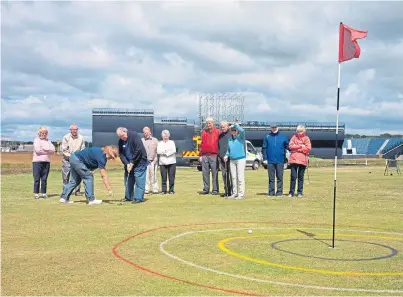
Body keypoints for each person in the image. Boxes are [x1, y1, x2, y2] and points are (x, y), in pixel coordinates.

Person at [117, 127, 148, 204]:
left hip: (140, 162)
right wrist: (127, 163)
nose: (122, 138)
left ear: (125, 131)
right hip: (129, 164)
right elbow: (121, 154)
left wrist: (132, 162)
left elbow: (139, 149)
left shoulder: (134, 135)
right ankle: (128, 197)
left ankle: (138, 198)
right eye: (120, 136)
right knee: (128, 180)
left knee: (139, 179)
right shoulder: (120, 141)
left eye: (122, 135)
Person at [262, 123, 289, 197]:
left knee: (280, 177)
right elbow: (264, 148)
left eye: (275, 127)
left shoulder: (283, 137)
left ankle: (279, 192)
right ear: (271, 128)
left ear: (277, 127)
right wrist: (265, 158)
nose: (274, 128)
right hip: (270, 161)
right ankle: (271, 192)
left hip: (280, 160)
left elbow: (288, 147)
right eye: (272, 127)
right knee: (271, 178)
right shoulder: (267, 137)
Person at [61, 124, 86, 196]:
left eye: (76, 129)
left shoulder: (81, 137)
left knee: (77, 175)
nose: (75, 131)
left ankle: (77, 191)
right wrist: (71, 157)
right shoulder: (66, 137)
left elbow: (82, 149)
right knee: (66, 176)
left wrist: (78, 157)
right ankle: (65, 191)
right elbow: (64, 149)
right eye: (73, 129)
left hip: (77, 159)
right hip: (67, 159)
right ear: (70, 130)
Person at [224, 123, 246, 199]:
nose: (233, 131)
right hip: (232, 160)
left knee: (240, 177)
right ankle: (235, 193)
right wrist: (226, 155)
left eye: (235, 130)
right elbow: (228, 149)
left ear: (237, 131)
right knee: (233, 177)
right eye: (232, 130)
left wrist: (235, 125)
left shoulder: (241, 137)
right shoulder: (229, 139)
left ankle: (241, 194)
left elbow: (243, 131)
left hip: (240, 159)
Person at [288, 125, 311, 198]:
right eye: (298, 131)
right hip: (294, 159)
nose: (299, 133)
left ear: (304, 131)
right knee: (293, 177)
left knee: (301, 177)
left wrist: (297, 148)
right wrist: (301, 146)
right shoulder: (293, 137)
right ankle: (291, 192)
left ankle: (300, 192)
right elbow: (291, 146)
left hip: (303, 160)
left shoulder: (306, 138)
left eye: (300, 131)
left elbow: (308, 148)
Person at [199, 117, 221, 195]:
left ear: (213, 123)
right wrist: (200, 155)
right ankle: (206, 189)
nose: (208, 125)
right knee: (205, 173)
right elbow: (201, 144)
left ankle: (215, 189)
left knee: (215, 173)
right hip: (205, 155)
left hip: (214, 155)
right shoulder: (204, 132)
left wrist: (219, 154)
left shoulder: (218, 131)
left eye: (210, 123)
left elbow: (220, 143)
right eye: (207, 123)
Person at [32, 126, 55, 199]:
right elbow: (38, 150)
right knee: (37, 178)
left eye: (45, 133)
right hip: (37, 162)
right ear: (39, 133)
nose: (43, 134)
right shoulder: (36, 140)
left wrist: (44, 150)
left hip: (46, 162)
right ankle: (36, 193)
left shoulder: (48, 141)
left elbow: (53, 150)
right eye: (42, 132)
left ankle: (44, 193)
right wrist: (47, 151)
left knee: (44, 179)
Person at [157, 130, 177, 194]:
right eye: (164, 135)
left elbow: (173, 150)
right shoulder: (160, 143)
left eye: (166, 135)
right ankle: (164, 190)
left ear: (169, 136)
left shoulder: (172, 142)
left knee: (171, 177)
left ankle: (171, 190)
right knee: (163, 177)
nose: (165, 137)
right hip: (162, 162)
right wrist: (166, 151)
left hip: (171, 162)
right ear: (162, 136)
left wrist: (166, 153)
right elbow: (158, 151)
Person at [142, 127, 159, 194]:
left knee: (154, 175)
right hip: (145, 161)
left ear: (150, 132)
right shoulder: (141, 140)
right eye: (144, 132)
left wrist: (155, 159)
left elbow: (158, 150)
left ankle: (155, 189)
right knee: (146, 176)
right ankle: (146, 189)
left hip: (153, 161)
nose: (145, 134)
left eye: (146, 132)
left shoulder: (155, 140)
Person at [218, 121, 232, 197]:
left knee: (231, 175)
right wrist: (219, 155)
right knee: (224, 175)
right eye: (221, 127)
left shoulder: (231, 135)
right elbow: (218, 146)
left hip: (230, 158)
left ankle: (232, 191)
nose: (222, 128)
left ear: (227, 126)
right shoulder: (220, 136)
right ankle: (226, 191)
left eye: (224, 126)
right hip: (221, 158)